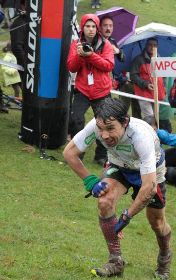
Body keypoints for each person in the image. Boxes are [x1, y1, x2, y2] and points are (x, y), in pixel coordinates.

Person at [63, 98, 172, 280]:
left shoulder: (140, 136)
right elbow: (69, 153)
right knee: (104, 202)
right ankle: (115, 261)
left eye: (111, 128)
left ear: (125, 122)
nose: (104, 135)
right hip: (119, 165)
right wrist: (90, 181)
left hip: (151, 173)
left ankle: (165, 255)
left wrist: (127, 215)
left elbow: (149, 187)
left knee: (157, 223)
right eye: (101, 129)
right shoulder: (97, 125)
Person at [67, 13, 114, 166]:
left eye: (94, 26)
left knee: (104, 123)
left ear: (97, 28)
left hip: (102, 91)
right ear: (82, 28)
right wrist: (80, 55)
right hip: (83, 89)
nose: (91, 29)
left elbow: (108, 65)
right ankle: (77, 153)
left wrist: (91, 55)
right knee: (76, 119)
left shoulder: (105, 44)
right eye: (87, 26)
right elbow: (71, 67)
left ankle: (101, 155)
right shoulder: (76, 44)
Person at [130, 38, 166, 123]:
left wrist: (163, 88)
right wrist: (145, 84)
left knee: (156, 117)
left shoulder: (160, 60)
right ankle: (148, 135)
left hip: (157, 93)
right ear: (146, 45)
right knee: (149, 117)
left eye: (155, 45)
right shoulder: (138, 59)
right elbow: (133, 76)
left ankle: (155, 135)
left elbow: (163, 76)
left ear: (157, 47)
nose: (152, 47)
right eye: (150, 44)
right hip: (143, 94)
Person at [9, 1, 27, 84]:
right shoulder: (18, 23)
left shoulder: (34, 21)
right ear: (22, 6)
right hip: (26, 67)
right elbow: (17, 47)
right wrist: (26, 64)